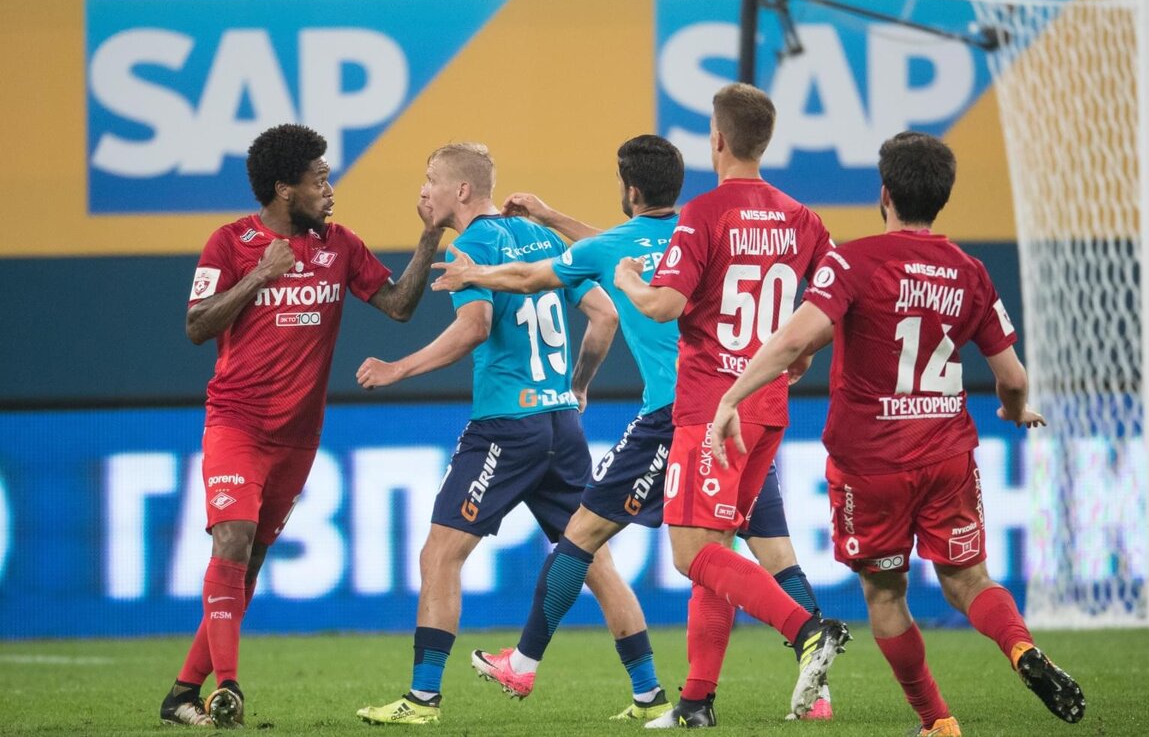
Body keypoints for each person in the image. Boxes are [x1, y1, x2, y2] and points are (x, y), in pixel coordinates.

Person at [431, 135, 834, 721]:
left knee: (584, 534)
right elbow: (619, 244)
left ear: (631, 188)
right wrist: (550, 216)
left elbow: (533, 276)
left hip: (678, 413)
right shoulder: (696, 232)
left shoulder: (622, 246)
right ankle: (810, 692)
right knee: (771, 549)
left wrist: (477, 275)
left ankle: (524, 662)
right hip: (749, 404)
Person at [709, 131, 1087, 736]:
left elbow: (794, 338)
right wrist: (1015, 411)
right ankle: (1020, 648)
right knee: (969, 580)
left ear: (884, 193)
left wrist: (732, 395)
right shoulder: (970, 272)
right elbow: (1013, 378)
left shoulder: (853, 262)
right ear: (942, 198)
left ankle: (937, 721)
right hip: (947, 455)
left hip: (871, 464)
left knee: (886, 595)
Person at [160, 123, 451, 728]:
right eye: (319, 179)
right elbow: (196, 326)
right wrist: (260, 276)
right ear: (284, 188)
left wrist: (429, 236)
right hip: (236, 423)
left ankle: (183, 693)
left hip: (297, 436)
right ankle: (229, 687)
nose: (329, 189)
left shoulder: (339, 246)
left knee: (252, 561)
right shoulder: (230, 243)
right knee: (232, 539)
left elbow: (398, 305)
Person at [353, 142, 646, 727]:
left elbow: (475, 326)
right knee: (593, 560)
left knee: (441, 554)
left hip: (505, 429)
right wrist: (578, 385)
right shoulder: (541, 238)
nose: (424, 190)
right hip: (561, 424)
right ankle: (650, 693)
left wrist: (397, 369)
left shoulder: (471, 247)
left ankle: (422, 700)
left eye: (431, 178)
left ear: (461, 190)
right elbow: (605, 314)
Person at [613, 84, 851, 728]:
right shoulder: (802, 218)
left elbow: (664, 306)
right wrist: (802, 350)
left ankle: (807, 630)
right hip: (767, 406)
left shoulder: (704, 213)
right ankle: (696, 703)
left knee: (691, 552)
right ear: (763, 142)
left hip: (711, 408)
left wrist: (629, 279)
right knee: (715, 552)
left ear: (716, 140)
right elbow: (838, 300)